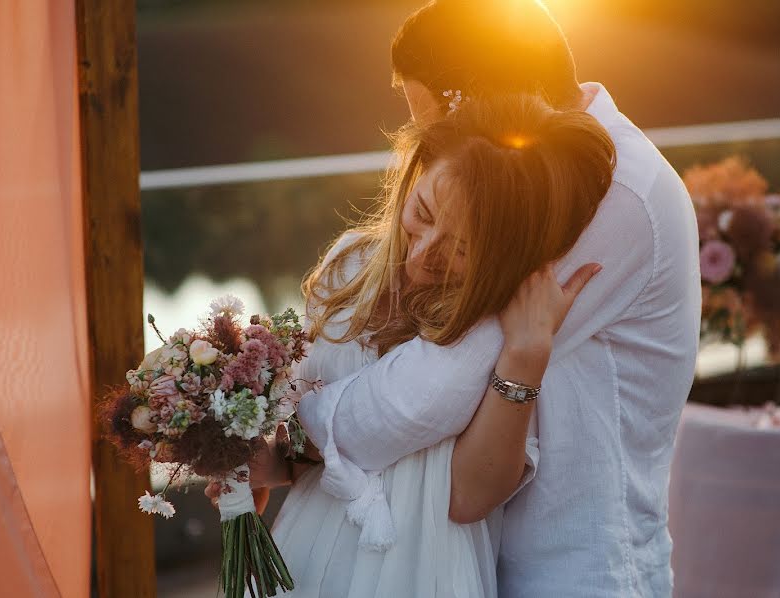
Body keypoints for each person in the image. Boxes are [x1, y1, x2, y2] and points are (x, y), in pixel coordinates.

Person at [284, 1, 702, 596]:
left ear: (491, 107)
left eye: (432, 125)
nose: (432, 148)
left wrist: (293, 435)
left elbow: (434, 385)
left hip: (577, 565)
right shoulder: (530, 178)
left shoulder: (605, 190)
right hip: (489, 553)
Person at [251, 92, 616, 596]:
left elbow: (469, 496)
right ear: (415, 169)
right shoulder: (349, 262)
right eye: (421, 212)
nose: (423, 255)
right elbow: (309, 432)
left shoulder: (494, 326)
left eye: (462, 248)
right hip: (309, 549)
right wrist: (264, 457)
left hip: (425, 570)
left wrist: (526, 357)